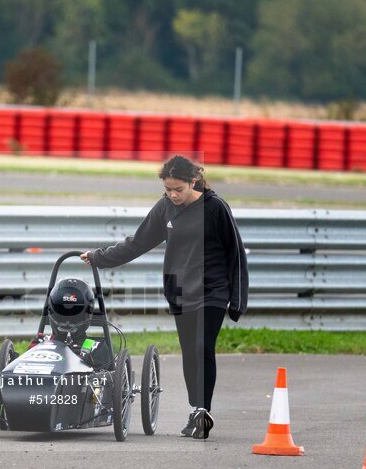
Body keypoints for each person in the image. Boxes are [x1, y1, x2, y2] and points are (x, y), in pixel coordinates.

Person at [81, 155, 248, 439]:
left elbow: (236, 253)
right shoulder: (165, 208)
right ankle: (196, 408)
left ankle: (203, 412)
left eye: (178, 189)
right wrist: (99, 257)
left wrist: (237, 298)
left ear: (193, 181)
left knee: (201, 347)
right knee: (189, 354)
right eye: (167, 189)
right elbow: (138, 243)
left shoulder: (216, 208)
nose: (172, 194)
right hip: (181, 290)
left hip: (213, 290)